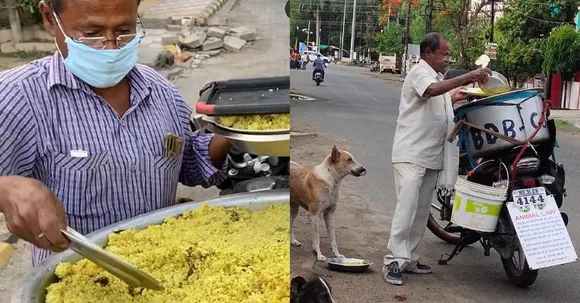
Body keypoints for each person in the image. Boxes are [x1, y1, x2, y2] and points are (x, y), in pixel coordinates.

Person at [0, 0, 232, 266]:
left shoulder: (161, 92)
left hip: (165, 269)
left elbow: (187, 162)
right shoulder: (18, 98)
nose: (110, 46)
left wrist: (233, 135)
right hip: (75, 280)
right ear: (51, 19)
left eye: (124, 30)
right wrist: (6, 189)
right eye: (92, 34)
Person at [383, 32, 492, 285]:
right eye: (444, 54)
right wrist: (469, 76)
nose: (447, 58)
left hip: (431, 156)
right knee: (406, 210)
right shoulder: (419, 73)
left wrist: (457, 96)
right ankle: (393, 262)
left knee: (421, 212)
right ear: (428, 53)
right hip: (411, 155)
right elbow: (431, 92)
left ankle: (408, 258)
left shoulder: (436, 78)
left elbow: (439, 99)